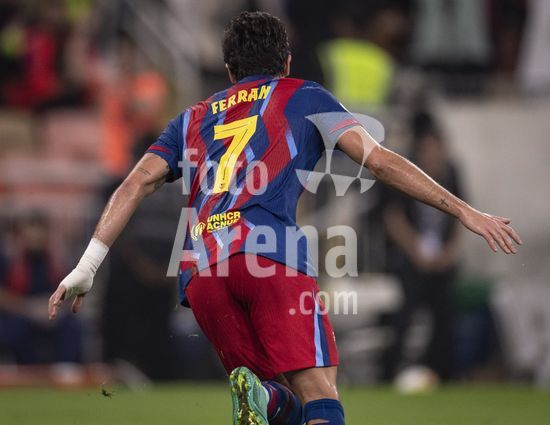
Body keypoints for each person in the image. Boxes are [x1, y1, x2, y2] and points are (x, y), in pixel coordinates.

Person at [48, 11, 522, 425]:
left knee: (280, 404)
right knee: (320, 392)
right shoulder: (304, 96)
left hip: (201, 272)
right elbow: (377, 161)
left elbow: (134, 182)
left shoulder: (191, 119)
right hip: (268, 254)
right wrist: (465, 210)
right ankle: (270, 397)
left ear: (230, 70)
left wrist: (87, 265)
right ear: (287, 62)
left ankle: (268, 398)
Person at [380, 114, 462, 381]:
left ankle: (443, 372)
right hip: (410, 258)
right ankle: (389, 372)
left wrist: (449, 252)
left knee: (446, 316)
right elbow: (393, 217)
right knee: (404, 316)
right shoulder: (406, 174)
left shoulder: (452, 173)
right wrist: (414, 250)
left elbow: (461, 214)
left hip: (440, 259)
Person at [0, 212, 82, 365]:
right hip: (19, 314)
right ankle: (22, 369)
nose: (35, 237)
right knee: (12, 329)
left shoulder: (58, 261)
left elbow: (73, 290)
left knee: (73, 326)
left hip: (52, 313)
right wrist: (27, 308)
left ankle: (65, 369)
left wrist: (56, 307)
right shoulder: (8, 259)